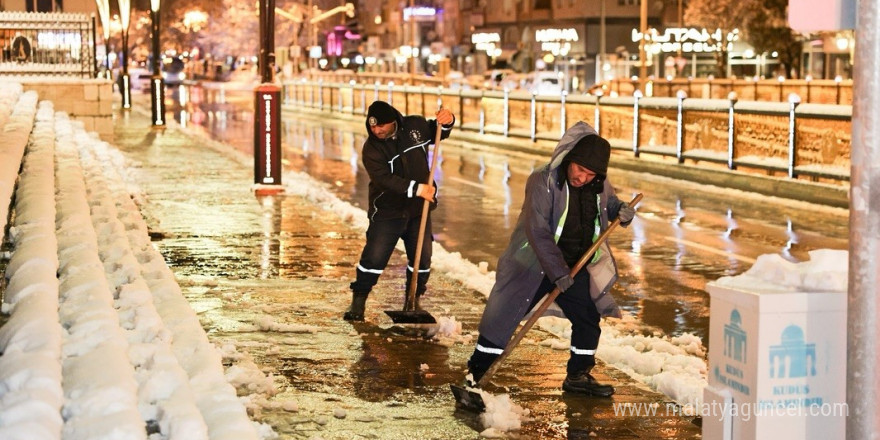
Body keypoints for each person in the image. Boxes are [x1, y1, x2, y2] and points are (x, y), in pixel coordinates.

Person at [464, 121, 635, 396]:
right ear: (570, 159)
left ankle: (578, 375)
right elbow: (538, 231)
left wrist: (622, 211)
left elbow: (609, 203)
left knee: (588, 318)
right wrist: (557, 272)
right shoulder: (543, 181)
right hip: (533, 264)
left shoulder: (598, 185)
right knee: (503, 316)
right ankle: (477, 373)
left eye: (591, 174)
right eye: (580, 170)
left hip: (574, 265)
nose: (583, 178)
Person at [344, 100, 456, 321]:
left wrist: (448, 120)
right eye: (372, 126)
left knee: (422, 260)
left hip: (418, 211)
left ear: (393, 121)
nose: (376, 130)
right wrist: (417, 188)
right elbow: (384, 180)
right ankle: (359, 301)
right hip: (388, 211)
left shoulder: (416, 126)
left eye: (381, 126)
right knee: (374, 258)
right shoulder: (372, 148)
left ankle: (413, 300)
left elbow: (439, 132)